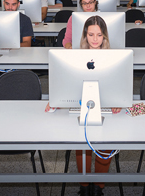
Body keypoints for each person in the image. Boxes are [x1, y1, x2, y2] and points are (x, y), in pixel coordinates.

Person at [46, 16, 120, 196]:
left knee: (106, 143)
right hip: (80, 107)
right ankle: (84, 185)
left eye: (99, 35)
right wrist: (55, 99)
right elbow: (64, 83)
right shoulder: (74, 56)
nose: (95, 39)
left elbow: (120, 84)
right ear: (85, 35)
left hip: (106, 107)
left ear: (105, 37)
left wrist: (119, 100)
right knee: (82, 144)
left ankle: (99, 186)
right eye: (91, 34)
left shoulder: (115, 57)